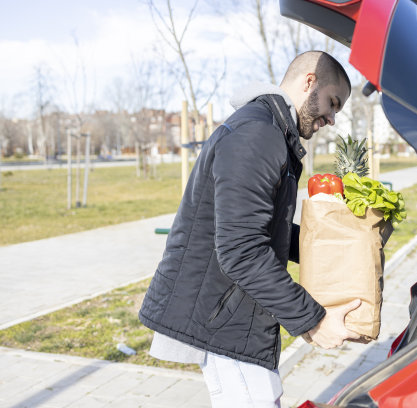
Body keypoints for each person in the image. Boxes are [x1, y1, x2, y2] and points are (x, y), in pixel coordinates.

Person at [139, 51, 358, 407]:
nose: (332, 118)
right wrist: (314, 321)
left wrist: (336, 247)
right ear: (309, 82)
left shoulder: (271, 133)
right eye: (333, 103)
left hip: (233, 307)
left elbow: (265, 230)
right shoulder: (258, 134)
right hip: (224, 314)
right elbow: (242, 251)